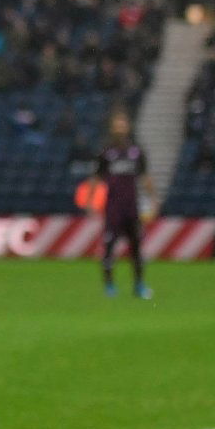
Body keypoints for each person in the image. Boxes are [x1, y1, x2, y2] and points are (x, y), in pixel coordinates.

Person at [94, 111, 157, 299]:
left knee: (136, 247)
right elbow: (96, 179)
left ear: (128, 125)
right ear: (112, 127)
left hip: (131, 207)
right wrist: (91, 202)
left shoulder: (136, 151)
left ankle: (139, 285)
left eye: (122, 123)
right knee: (109, 247)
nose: (120, 127)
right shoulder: (106, 152)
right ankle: (109, 286)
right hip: (113, 207)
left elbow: (145, 177)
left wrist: (153, 199)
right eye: (117, 123)